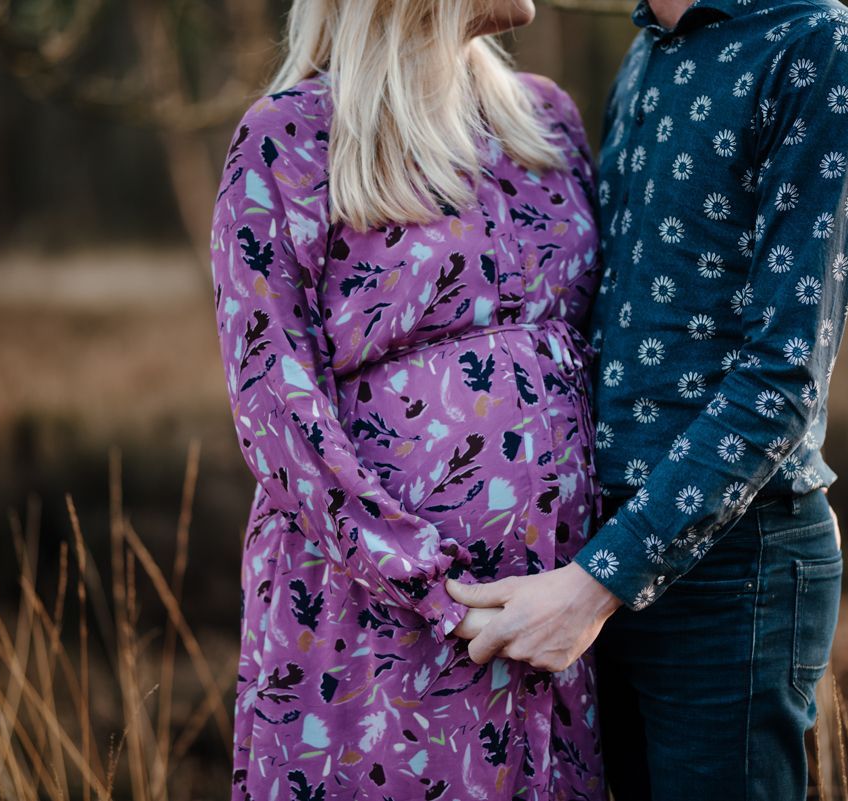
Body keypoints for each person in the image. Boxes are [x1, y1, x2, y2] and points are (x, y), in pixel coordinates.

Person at [447, 0, 848, 798]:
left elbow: (782, 376)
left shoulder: (820, 49)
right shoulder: (649, 55)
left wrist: (597, 584)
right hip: (606, 555)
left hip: (735, 566)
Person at [207, 1, 607, 798]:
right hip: (379, 626)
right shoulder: (289, 138)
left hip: (561, 622)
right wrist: (439, 591)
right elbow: (273, 401)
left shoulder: (547, 119)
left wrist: (601, 575)